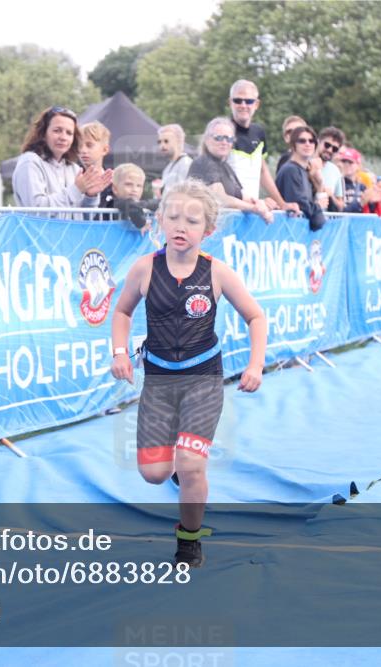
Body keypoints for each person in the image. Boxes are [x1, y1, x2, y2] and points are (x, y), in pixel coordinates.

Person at [110, 179, 267, 567]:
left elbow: (256, 316)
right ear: (160, 220)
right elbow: (122, 311)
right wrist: (120, 353)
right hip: (159, 383)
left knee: (193, 465)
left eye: (192, 220)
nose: (181, 226)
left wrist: (256, 364)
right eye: (174, 217)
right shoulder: (144, 268)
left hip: (203, 382)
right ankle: (184, 475)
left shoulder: (217, 272)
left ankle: (189, 539)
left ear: (208, 231)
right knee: (154, 473)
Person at [11, 106, 112, 211]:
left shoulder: (74, 169)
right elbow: (37, 209)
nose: (63, 137)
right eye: (57, 130)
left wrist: (91, 197)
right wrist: (76, 190)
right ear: (43, 133)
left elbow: (82, 218)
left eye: (69, 133)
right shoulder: (30, 162)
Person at [226, 79, 298, 213]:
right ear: (230, 102)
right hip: (229, 211)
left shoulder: (258, 132)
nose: (243, 105)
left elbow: (263, 171)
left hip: (253, 211)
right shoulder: (222, 131)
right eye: (237, 100)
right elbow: (216, 178)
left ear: (257, 104)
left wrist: (282, 203)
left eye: (249, 101)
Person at [187, 117, 273, 223]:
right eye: (218, 138)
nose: (224, 142)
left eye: (229, 139)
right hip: (203, 232)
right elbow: (221, 199)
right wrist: (254, 209)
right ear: (207, 140)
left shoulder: (225, 166)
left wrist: (260, 203)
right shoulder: (204, 162)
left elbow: (243, 196)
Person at [273, 125, 327, 230]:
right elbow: (301, 204)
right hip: (288, 232)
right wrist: (318, 207)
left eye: (311, 141)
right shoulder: (291, 170)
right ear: (293, 145)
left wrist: (319, 184)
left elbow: (317, 211)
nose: (307, 144)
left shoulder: (305, 171)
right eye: (302, 141)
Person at [110, 163, 157, 231]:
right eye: (128, 184)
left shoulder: (138, 204)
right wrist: (142, 223)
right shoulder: (113, 202)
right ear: (115, 189)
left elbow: (161, 203)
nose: (134, 190)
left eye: (139, 186)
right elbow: (132, 206)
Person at [151, 124, 192, 198]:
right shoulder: (167, 168)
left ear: (179, 141)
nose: (162, 145)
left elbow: (185, 195)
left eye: (166, 141)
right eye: (159, 142)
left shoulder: (186, 164)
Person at [316, 127, 346, 211]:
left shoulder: (335, 171)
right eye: (327, 145)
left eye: (334, 149)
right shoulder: (305, 164)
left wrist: (331, 196)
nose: (329, 150)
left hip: (326, 220)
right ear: (318, 141)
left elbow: (341, 205)